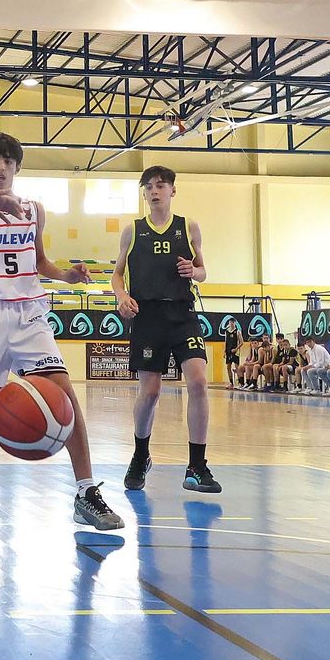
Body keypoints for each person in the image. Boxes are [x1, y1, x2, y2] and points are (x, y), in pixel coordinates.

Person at [0, 133, 125, 528]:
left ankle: (86, 491)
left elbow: (39, 262)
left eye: (7, 161)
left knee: (66, 394)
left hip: (30, 312)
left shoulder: (34, 209)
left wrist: (65, 275)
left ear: (17, 168)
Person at [111, 164, 220, 494]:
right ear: (144, 194)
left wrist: (194, 271)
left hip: (181, 312)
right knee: (151, 391)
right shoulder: (133, 230)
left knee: (199, 382)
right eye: (148, 187)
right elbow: (117, 274)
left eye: (160, 185)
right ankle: (141, 454)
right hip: (147, 316)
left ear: (173, 190)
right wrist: (121, 296)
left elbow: (203, 271)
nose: (154, 191)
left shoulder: (189, 227)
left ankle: (197, 466)